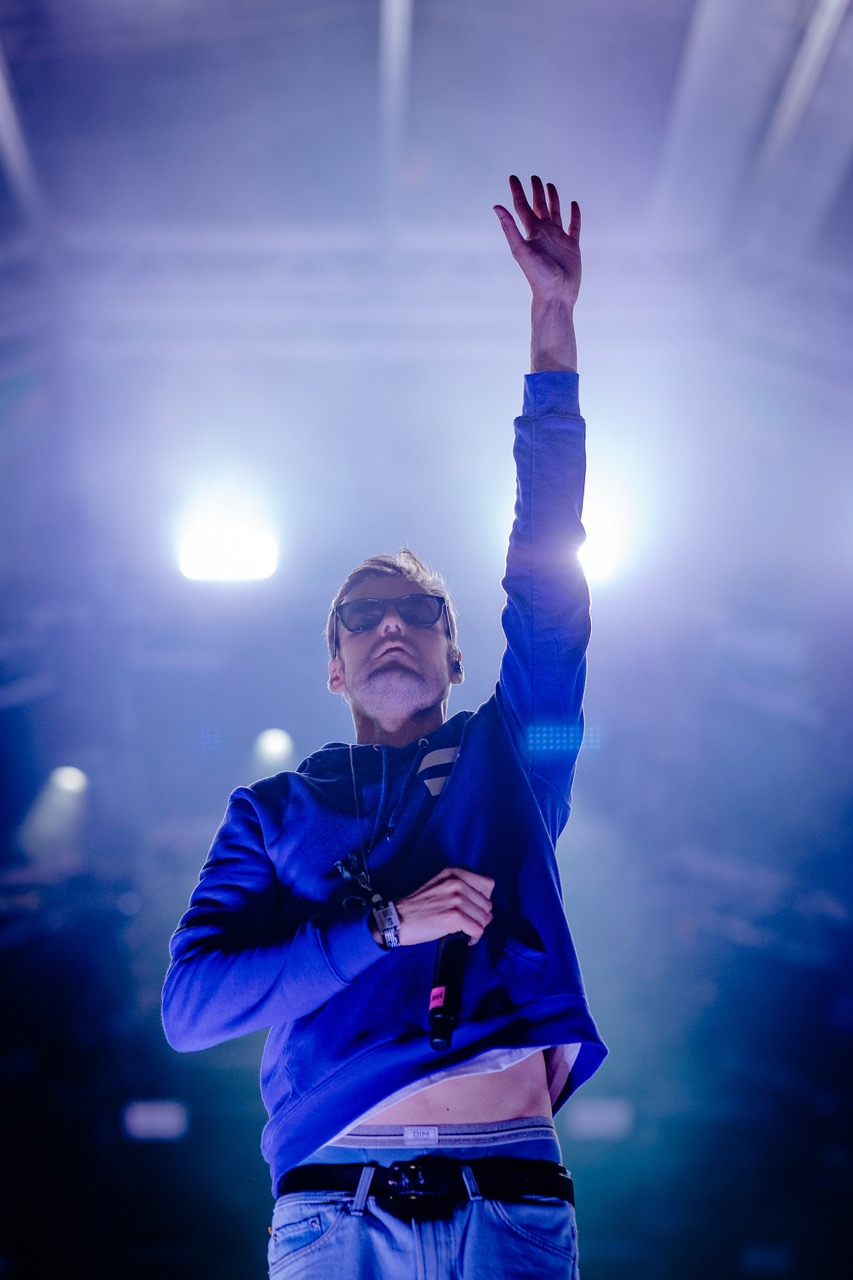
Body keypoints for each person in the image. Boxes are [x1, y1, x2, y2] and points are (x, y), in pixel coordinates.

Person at [162, 175, 606, 1278]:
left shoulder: (512, 761)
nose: (391, 625)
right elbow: (192, 1006)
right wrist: (380, 928)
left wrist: (552, 330)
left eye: (418, 611)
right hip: (336, 1203)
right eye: (362, 616)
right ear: (334, 664)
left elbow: (549, 582)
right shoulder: (274, 811)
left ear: (456, 653)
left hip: (508, 1192)